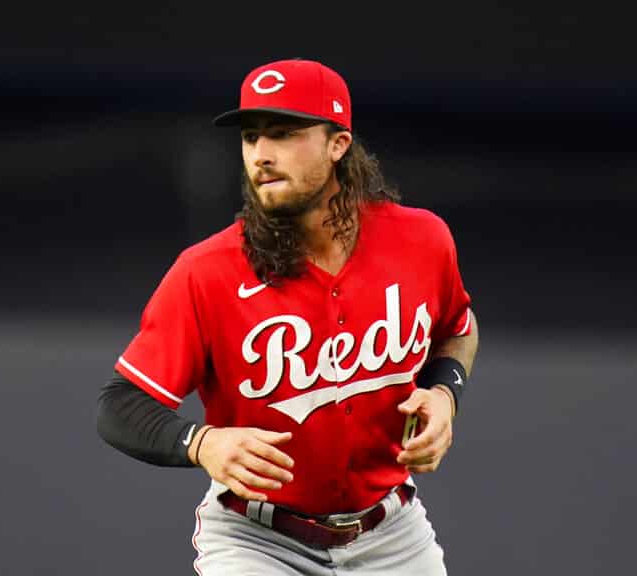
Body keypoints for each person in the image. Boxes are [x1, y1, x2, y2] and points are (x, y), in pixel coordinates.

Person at [96, 58, 478, 575]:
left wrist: (444, 392)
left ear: (338, 144)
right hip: (258, 541)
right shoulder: (206, 270)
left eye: (283, 134)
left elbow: (459, 329)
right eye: (252, 138)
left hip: (392, 535)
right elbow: (119, 406)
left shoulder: (421, 240)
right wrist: (201, 441)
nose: (262, 155)